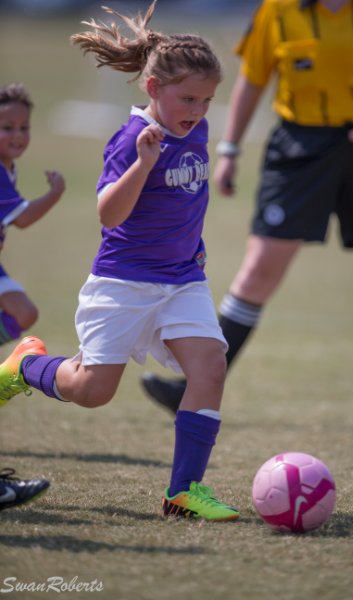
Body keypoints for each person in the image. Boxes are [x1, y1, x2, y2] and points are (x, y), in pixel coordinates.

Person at [0, 1, 239, 521]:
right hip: (123, 284)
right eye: (188, 98)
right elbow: (109, 213)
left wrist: (189, 244)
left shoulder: (192, 127)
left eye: (207, 100)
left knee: (210, 367)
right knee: (91, 391)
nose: (198, 110)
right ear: (154, 89)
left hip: (182, 281)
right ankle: (25, 366)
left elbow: (187, 196)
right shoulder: (133, 139)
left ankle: (184, 490)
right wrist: (144, 164)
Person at [140, 0, 353, 423]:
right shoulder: (278, 11)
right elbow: (252, 81)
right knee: (259, 270)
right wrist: (229, 149)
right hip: (299, 149)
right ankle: (191, 386)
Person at [0, 82, 65, 348]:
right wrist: (56, 193)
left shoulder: (7, 168)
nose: (18, 135)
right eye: (7, 128)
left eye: (24, 127)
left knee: (24, 313)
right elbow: (22, 218)